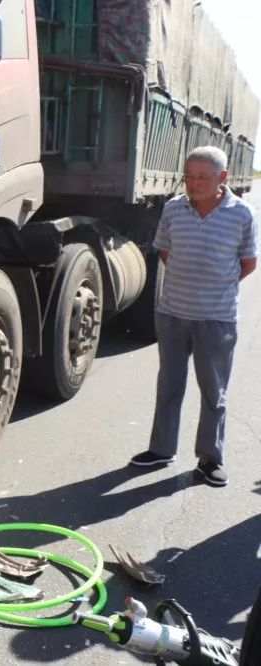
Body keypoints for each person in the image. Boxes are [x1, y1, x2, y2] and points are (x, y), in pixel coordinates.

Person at [129, 146, 257, 487]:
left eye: (203, 177)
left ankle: (209, 459)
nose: (195, 183)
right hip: (172, 313)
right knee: (169, 385)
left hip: (216, 318)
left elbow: (248, 263)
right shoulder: (173, 208)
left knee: (214, 392)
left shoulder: (242, 214)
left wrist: (212, 290)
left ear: (223, 178)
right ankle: (161, 450)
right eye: (190, 176)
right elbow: (166, 251)